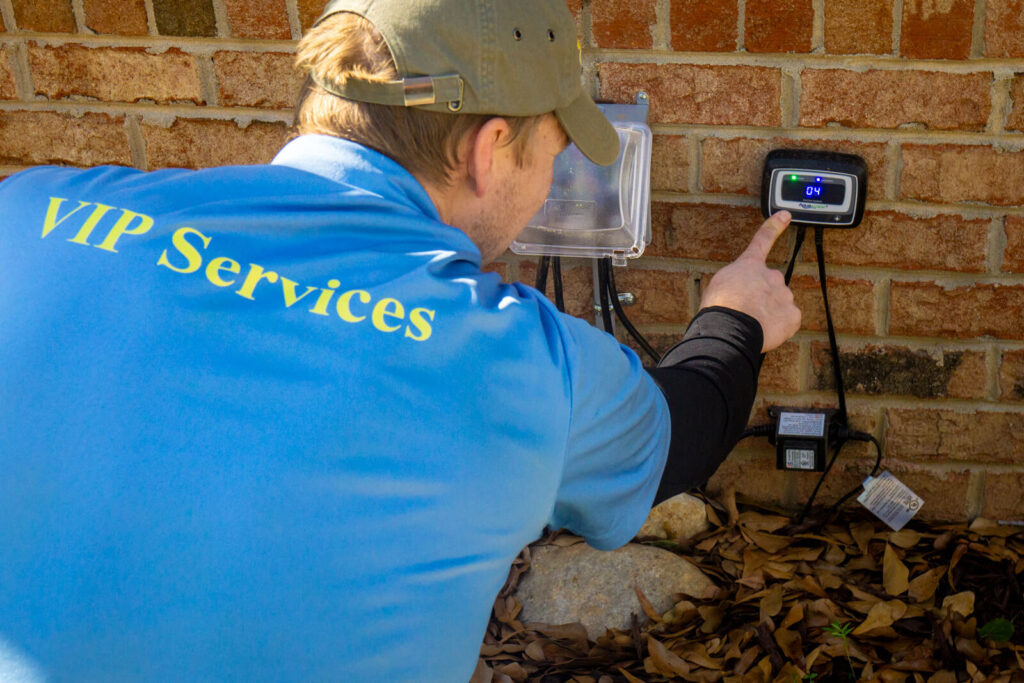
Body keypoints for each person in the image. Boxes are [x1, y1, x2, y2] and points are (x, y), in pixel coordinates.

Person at [0, 0, 800, 680]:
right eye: (552, 157)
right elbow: (680, 434)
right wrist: (737, 315)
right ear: (489, 151)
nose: (550, 186)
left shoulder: (32, 213)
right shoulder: (517, 361)